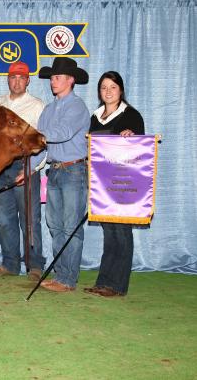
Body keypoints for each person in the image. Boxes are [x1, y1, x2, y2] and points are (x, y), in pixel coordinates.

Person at [85, 71, 145, 297]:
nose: (108, 91)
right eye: (103, 87)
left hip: (123, 183)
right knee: (109, 232)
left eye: (112, 87)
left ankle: (118, 286)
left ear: (121, 90)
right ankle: (104, 282)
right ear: (99, 92)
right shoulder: (96, 116)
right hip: (101, 183)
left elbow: (141, 151)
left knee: (121, 231)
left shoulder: (131, 116)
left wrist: (134, 136)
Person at [36, 57, 90, 292]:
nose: (53, 81)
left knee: (71, 228)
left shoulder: (77, 106)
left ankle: (69, 279)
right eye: (52, 78)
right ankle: (60, 275)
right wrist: (27, 171)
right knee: (55, 226)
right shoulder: (48, 109)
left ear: (70, 80)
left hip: (74, 170)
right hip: (55, 171)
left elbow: (63, 132)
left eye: (57, 77)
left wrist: (36, 136)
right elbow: (42, 147)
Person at [0, 61, 46, 281]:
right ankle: (10, 263)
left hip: (24, 165)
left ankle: (35, 265)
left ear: (28, 80)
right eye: (13, 77)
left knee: (30, 219)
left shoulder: (37, 105)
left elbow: (42, 141)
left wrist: (32, 168)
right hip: (0, 168)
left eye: (21, 77)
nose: (17, 81)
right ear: (8, 79)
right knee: (4, 218)